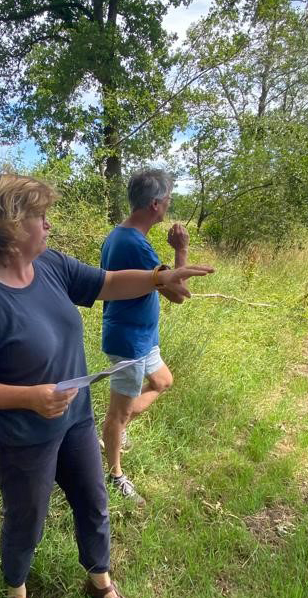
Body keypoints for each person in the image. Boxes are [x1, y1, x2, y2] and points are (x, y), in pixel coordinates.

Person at [0, 173, 212, 598]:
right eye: (39, 217)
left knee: (93, 501)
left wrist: (158, 277)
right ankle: (16, 596)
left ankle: (99, 578)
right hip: (21, 433)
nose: (49, 225)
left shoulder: (48, 265)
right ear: (9, 225)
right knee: (27, 518)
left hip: (75, 422)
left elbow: (107, 283)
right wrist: (29, 397)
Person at [99, 169, 187, 505]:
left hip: (142, 337)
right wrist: (181, 250)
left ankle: (113, 434)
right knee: (117, 412)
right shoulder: (134, 244)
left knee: (163, 382)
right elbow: (178, 294)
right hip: (129, 341)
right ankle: (116, 473)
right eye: (167, 200)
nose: (168, 205)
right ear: (154, 204)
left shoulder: (120, 236)